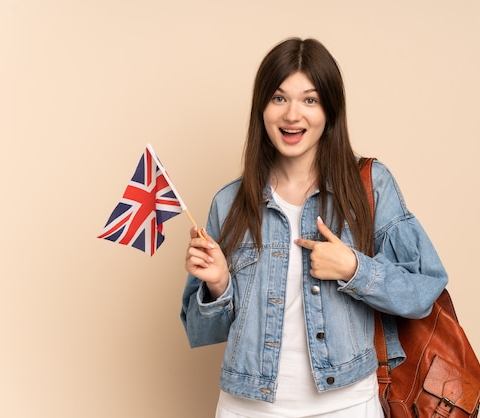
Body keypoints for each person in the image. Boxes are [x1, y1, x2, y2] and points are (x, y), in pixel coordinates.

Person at [180, 37, 448, 418]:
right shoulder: (230, 203)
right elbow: (201, 333)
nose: (292, 115)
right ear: (261, 109)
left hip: (347, 405)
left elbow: (423, 291)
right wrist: (219, 286)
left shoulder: (370, 185)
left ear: (329, 110)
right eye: (278, 98)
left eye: (310, 100)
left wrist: (355, 269)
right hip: (247, 408)